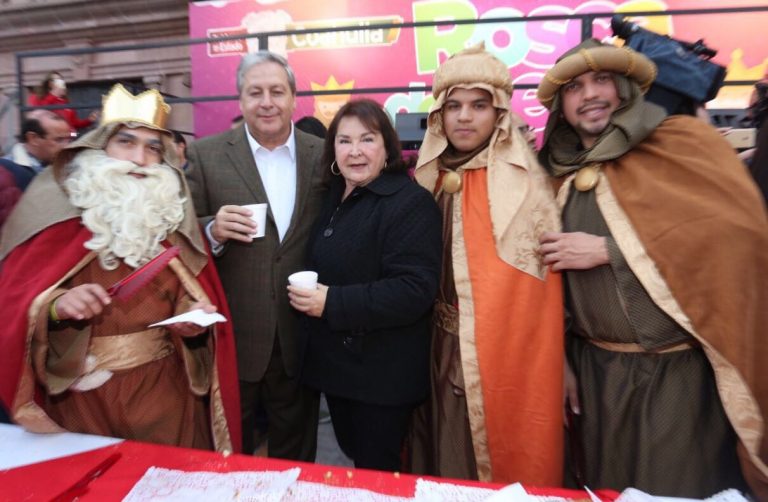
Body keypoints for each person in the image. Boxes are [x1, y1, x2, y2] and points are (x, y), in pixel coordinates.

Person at [536, 39, 768, 498]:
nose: (591, 94)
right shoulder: (552, 173)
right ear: (561, 105)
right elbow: (539, 282)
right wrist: (559, 359)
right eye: (576, 87)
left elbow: (735, 240)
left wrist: (610, 249)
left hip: (675, 382)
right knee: (603, 489)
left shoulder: (681, 143)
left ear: (624, 88)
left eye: (603, 79)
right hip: (595, 378)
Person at [0, 84, 241, 453]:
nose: (138, 159)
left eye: (152, 148)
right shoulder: (55, 220)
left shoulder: (170, 221)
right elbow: (13, 302)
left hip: (165, 399)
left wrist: (191, 318)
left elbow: (188, 295)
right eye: (126, 143)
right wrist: (55, 304)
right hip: (80, 402)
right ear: (100, 148)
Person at [409, 44, 564, 485]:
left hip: (502, 353)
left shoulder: (524, 184)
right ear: (439, 116)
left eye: (478, 105)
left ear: (498, 113)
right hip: (435, 346)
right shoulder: (429, 179)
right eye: (453, 106)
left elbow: (537, 293)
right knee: (437, 450)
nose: (463, 117)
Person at [186, 51, 329, 460]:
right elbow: (179, 234)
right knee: (231, 449)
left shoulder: (323, 155)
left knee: (298, 450)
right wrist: (212, 229)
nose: (266, 102)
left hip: (300, 333)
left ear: (293, 98)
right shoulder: (205, 155)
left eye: (276, 91)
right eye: (255, 92)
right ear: (240, 100)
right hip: (234, 335)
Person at [287, 99, 441, 471]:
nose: (355, 151)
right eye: (344, 141)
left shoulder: (409, 202)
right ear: (333, 150)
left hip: (382, 379)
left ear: (387, 147)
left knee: (377, 473)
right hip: (339, 373)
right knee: (353, 457)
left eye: (367, 139)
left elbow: (414, 290)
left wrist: (333, 303)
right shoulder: (334, 196)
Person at [2, 110, 72, 188]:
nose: (67, 146)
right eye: (59, 140)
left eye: (69, 139)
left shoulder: (66, 163)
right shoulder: (5, 172)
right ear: (33, 138)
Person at [29, 71, 96, 132]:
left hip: (69, 136)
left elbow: (74, 123)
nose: (59, 82)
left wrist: (89, 120)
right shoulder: (36, 97)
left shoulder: (65, 102)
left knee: (76, 135)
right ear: (49, 83)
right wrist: (53, 95)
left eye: (61, 80)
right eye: (55, 80)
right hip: (50, 135)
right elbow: (40, 113)